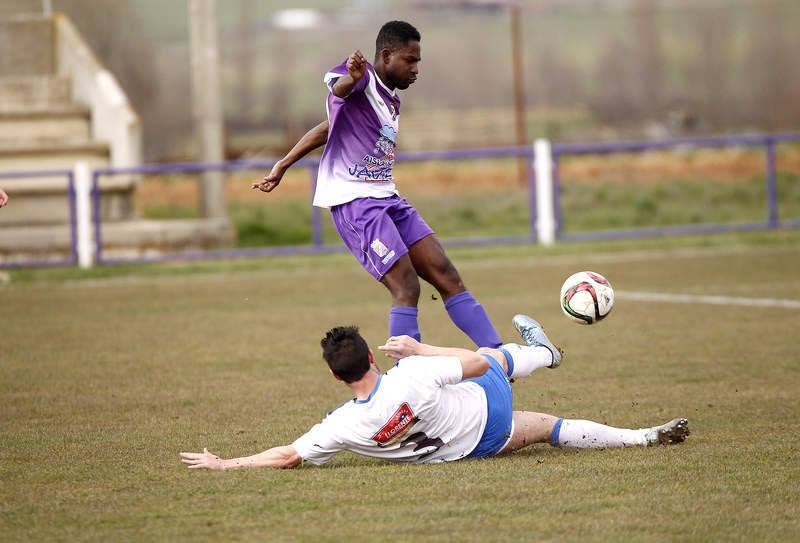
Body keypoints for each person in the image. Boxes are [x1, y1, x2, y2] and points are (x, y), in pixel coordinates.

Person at [251, 21, 502, 349]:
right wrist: (351, 78)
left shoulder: (390, 98)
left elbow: (329, 127)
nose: (416, 69)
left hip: (388, 197)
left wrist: (283, 163)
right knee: (406, 286)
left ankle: (499, 356)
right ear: (386, 56)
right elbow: (338, 90)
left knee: (445, 272)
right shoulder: (363, 78)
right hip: (356, 203)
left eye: (418, 62)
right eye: (410, 60)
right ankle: (406, 380)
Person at [180, 315, 689, 470]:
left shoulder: (341, 426)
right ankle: (547, 354)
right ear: (373, 358)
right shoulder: (410, 375)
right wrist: (420, 349)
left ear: (336, 378)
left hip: (473, 447)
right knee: (492, 358)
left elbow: (289, 455)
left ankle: (644, 437)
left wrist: (226, 464)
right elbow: (470, 362)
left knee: (547, 429)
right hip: (488, 412)